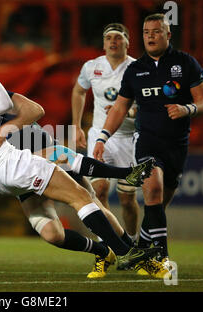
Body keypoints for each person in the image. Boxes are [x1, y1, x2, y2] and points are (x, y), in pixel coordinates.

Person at [0, 48, 163, 273]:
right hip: (16, 165)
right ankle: (124, 250)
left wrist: (3, 130)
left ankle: (124, 244)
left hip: (27, 157)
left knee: (72, 205)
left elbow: (35, 110)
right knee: (78, 202)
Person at [0, 85, 166, 279]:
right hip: (20, 173)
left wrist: (6, 127)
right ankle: (103, 251)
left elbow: (35, 110)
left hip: (40, 152)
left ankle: (138, 256)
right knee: (52, 235)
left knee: (88, 198)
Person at [94, 13, 203, 274]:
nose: (150, 36)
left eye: (156, 32)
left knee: (158, 205)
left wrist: (187, 108)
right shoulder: (135, 70)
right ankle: (162, 259)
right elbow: (120, 108)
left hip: (177, 145)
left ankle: (139, 248)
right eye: (146, 32)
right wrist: (102, 137)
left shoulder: (186, 63)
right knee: (153, 192)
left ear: (168, 35)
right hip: (146, 141)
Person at [72, 23, 140, 243]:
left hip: (129, 139)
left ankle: (131, 240)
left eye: (118, 37)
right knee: (98, 191)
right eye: (108, 37)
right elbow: (79, 91)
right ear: (103, 43)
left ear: (127, 42)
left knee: (127, 199)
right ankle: (109, 244)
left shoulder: (138, 69)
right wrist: (76, 125)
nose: (113, 41)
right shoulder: (91, 67)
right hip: (99, 137)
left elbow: (147, 104)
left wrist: (128, 112)